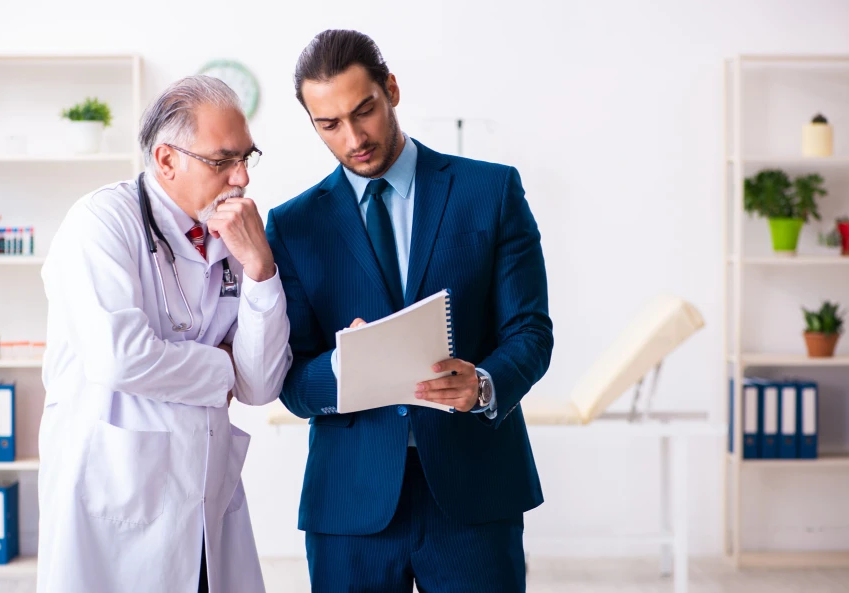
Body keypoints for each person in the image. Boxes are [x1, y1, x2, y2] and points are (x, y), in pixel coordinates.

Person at [267, 29, 553, 593]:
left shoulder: (490, 191)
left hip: (474, 492)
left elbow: (530, 330)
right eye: (330, 125)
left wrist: (485, 384)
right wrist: (342, 367)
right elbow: (293, 381)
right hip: (351, 503)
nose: (354, 138)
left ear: (391, 90)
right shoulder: (293, 226)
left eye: (364, 111)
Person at [37, 75, 292, 593]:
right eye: (222, 161)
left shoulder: (236, 238)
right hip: (117, 498)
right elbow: (121, 359)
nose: (241, 177)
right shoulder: (102, 223)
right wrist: (225, 368)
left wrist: (260, 267)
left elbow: (262, 385)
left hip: (205, 497)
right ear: (167, 160)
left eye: (248, 156)